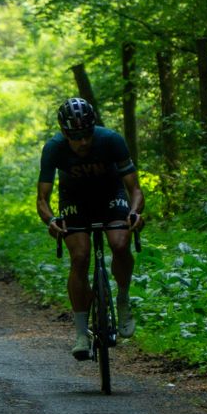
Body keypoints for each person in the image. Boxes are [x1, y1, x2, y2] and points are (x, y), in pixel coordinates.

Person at [35, 97, 146, 358]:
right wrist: (51, 220)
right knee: (80, 256)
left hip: (110, 195)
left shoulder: (111, 140)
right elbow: (42, 199)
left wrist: (134, 213)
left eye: (86, 134)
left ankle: (122, 299)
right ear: (64, 133)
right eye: (76, 136)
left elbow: (135, 189)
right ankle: (81, 332)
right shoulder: (54, 149)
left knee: (120, 243)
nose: (83, 142)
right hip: (75, 200)